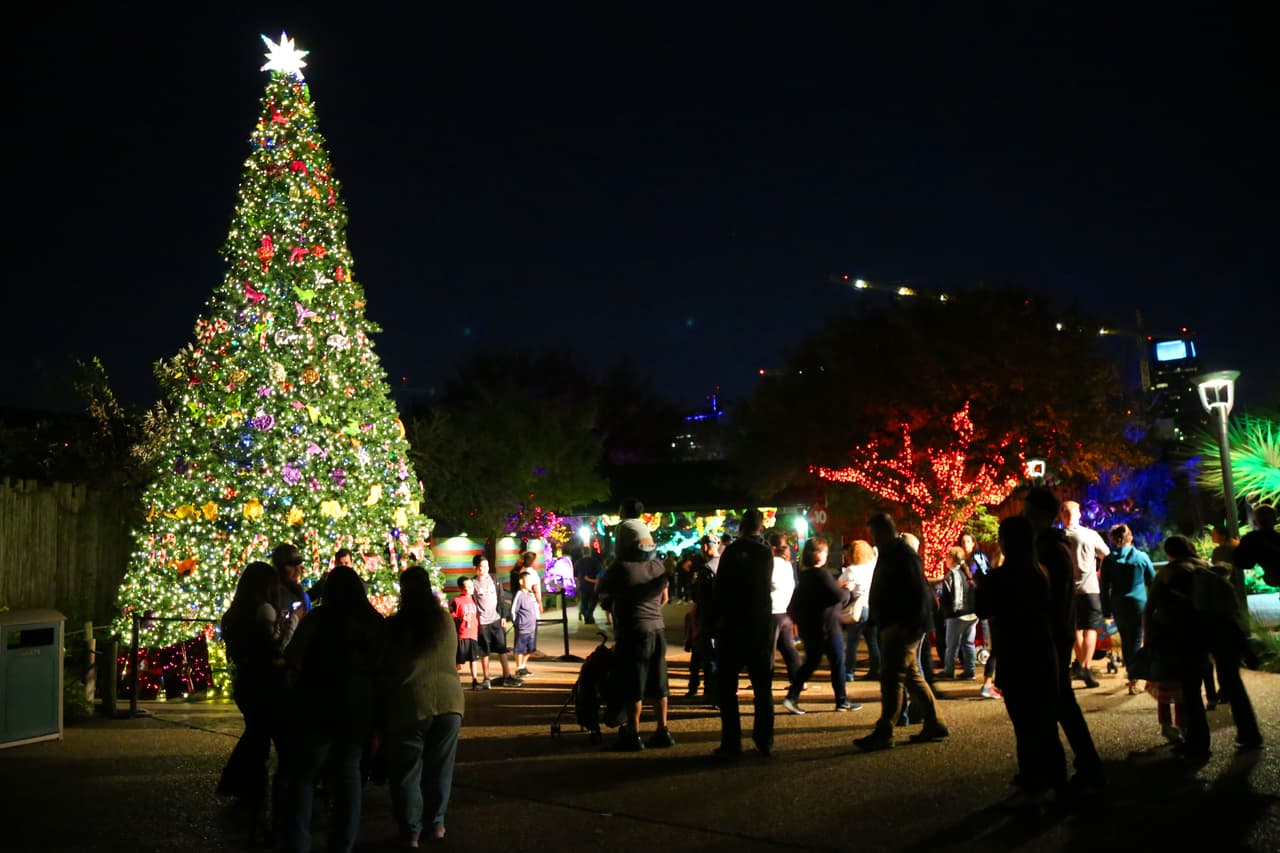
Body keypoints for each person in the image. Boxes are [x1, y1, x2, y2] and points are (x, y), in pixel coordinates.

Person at [282, 565, 385, 853]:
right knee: (348, 774)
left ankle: (298, 841)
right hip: (358, 708)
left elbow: (294, 657)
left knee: (303, 775)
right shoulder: (373, 621)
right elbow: (383, 668)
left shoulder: (318, 618)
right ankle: (342, 843)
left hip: (319, 703)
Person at [975, 516, 1064, 808]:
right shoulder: (1041, 572)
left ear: (1006, 542)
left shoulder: (1001, 577)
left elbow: (983, 608)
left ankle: (1033, 780)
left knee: (1025, 724)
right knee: (1046, 722)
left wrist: (982, 581)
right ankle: (1057, 778)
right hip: (1042, 651)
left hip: (1015, 653)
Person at [1023, 487, 1104, 790]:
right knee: (1059, 702)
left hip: (1052, 634)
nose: (1024, 517)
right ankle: (1083, 764)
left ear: (1043, 515)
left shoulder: (1051, 549)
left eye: (1028, 512)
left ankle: (1075, 768)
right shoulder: (1051, 546)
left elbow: (1049, 596)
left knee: (1057, 702)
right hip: (1055, 631)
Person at [382, 566, 464, 848]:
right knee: (440, 769)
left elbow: (387, 667)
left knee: (407, 772)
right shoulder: (443, 619)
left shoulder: (396, 625)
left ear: (404, 591)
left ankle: (412, 831)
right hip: (450, 703)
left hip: (411, 703)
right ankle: (437, 825)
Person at [855, 513, 949, 751]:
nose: (872, 539)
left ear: (883, 531)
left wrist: (900, 625)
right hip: (900, 623)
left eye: (874, 534)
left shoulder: (900, 554)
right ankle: (935, 722)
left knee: (892, 677)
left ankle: (885, 730)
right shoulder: (896, 553)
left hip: (900, 625)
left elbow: (914, 592)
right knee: (910, 675)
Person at [217, 561, 286, 839]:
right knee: (262, 741)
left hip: (245, 681)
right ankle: (256, 805)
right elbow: (274, 652)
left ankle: (239, 786)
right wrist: (289, 628)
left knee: (256, 733)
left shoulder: (235, 613)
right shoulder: (264, 610)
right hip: (264, 683)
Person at [597, 518, 674, 751]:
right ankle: (663, 731)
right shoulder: (658, 567)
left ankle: (633, 733)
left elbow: (602, 592)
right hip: (658, 630)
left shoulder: (620, 568)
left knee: (634, 685)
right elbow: (663, 598)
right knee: (659, 683)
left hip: (633, 632)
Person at [713, 509, 777, 758]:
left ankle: (732, 742)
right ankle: (764, 739)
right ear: (760, 528)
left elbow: (721, 589)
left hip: (732, 625)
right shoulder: (765, 553)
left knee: (728, 687)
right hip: (759, 624)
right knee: (763, 687)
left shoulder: (731, 552)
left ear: (741, 527)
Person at [1144, 536, 1211, 760]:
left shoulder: (1168, 572)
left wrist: (1149, 636)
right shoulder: (1204, 567)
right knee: (1194, 689)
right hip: (1203, 634)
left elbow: (1151, 606)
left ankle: (1197, 745)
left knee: (1188, 692)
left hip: (1177, 637)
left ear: (1170, 552)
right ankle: (1198, 741)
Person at [782, 537, 859, 714]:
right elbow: (838, 596)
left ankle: (792, 696)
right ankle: (841, 700)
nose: (826, 554)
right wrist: (847, 590)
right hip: (828, 626)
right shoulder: (822, 574)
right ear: (818, 555)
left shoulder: (805, 576)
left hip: (812, 627)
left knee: (811, 662)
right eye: (824, 551)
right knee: (837, 662)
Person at [1099, 524, 1155, 693]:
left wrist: (1106, 610)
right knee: (1137, 640)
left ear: (1113, 540)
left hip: (1118, 604)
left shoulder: (1108, 561)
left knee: (1126, 640)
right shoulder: (1141, 557)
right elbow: (1152, 580)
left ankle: (1132, 675)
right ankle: (1136, 678)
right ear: (1130, 538)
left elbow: (1104, 587)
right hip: (1139, 604)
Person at [1061, 501, 1110, 688]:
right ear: (1079, 514)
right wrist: (1099, 572)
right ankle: (1086, 666)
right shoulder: (1090, 534)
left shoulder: (1060, 537)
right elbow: (1106, 554)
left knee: (1076, 629)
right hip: (1090, 588)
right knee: (1089, 628)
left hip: (1069, 590)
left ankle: (1082, 665)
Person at [471, 554, 521, 688]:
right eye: (482, 567)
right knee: (484, 651)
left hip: (496, 620)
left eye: (487, 566)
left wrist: (503, 616)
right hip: (482, 622)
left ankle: (507, 675)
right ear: (475, 568)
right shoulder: (473, 583)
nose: (485, 569)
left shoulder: (494, 579)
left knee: (501, 648)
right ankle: (486, 678)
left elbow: (501, 598)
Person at [686, 533, 722, 701]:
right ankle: (710, 690)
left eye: (704, 546)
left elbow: (698, 596)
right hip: (720, 617)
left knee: (708, 656)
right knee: (711, 655)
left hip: (707, 617)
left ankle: (709, 691)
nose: (703, 549)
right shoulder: (725, 565)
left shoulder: (706, 569)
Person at [839, 540, 879, 682]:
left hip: (858, 608)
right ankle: (876, 669)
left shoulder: (852, 570)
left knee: (852, 643)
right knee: (872, 641)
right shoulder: (873, 567)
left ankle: (849, 672)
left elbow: (839, 585)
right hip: (872, 607)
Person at [939, 545, 979, 680]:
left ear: (952, 559)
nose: (945, 559)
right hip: (972, 614)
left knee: (952, 645)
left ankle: (949, 670)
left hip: (957, 615)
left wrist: (947, 612)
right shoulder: (967, 573)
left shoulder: (952, 575)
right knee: (968, 643)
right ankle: (970, 670)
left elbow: (952, 598)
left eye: (947, 557)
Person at [768, 533, 802, 683]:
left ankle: (765, 683)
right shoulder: (787, 564)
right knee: (788, 649)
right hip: (784, 612)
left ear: (772, 547)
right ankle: (798, 680)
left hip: (772, 612)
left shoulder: (771, 564)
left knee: (769, 651)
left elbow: (769, 583)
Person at [271, 542, 311, 649]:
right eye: (291, 565)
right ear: (278, 567)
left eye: (298, 564)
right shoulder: (271, 596)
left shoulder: (303, 596)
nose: (298, 569)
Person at [1234, 503, 1280, 590]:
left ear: (1255, 522)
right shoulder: (1277, 538)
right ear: (1275, 520)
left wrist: (1239, 546)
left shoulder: (1252, 539)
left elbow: (1242, 563)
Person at [449, 577, 483, 690]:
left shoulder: (474, 599)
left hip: (473, 634)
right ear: (460, 588)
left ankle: (475, 680)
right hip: (462, 634)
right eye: (466, 587)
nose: (470, 589)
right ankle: (454, 681)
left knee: (474, 659)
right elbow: (451, 615)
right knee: (459, 660)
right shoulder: (456, 601)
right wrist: (460, 618)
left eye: (471, 586)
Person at [511, 570, 540, 676]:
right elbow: (513, 610)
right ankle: (519, 668)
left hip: (532, 627)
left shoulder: (531, 595)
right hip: (522, 627)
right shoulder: (519, 594)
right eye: (528, 580)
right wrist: (517, 623)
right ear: (521, 581)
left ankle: (523, 666)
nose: (530, 583)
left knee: (530, 648)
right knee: (520, 648)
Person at [575, 546, 604, 625]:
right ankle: (589, 615)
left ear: (582, 552)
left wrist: (577, 585)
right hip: (593, 584)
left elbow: (576, 576)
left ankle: (587, 617)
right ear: (590, 552)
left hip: (582, 585)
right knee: (593, 601)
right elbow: (599, 574)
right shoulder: (595, 561)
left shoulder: (578, 562)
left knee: (584, 602)